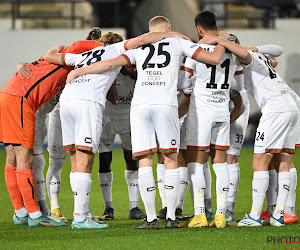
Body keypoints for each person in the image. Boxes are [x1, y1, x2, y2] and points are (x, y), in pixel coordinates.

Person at [64, 15, 226, 229]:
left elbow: (110, 63)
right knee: (170, 159)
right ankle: (170, 216)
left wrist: (78, 71)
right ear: (168, 28)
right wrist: (222, 40)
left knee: (144, 161)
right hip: (165, 104)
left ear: (150, 31)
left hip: (140, 106)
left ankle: (150, 219)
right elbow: (214, 59)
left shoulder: (138, 48)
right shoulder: (179, 41)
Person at [44, 29, 193, 229]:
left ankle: (83, 211)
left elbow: (50, 56)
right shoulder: (115, 50)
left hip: (66, 102)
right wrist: (174, 34)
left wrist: (60, 49)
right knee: (85, 157)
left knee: (73, 157)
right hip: (88, 102)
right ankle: (81, 217)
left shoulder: (82, 55)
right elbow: (140, 40)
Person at [1, 30, 104, 227]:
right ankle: (35, 215)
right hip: (22, 100)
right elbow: (99, 51)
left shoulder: (57, 55)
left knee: (12, 157)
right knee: (25, 158)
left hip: (7, 94)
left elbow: (55, 51)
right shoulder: (71, 57)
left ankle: (21, 213)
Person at [200, 33, 298, 227]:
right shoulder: (259, 57)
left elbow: (249, 56)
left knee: (259, 160)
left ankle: (254, 216)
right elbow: (275, 55)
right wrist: (253, 49)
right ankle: (279, 214)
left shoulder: (246, 58)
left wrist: (223, 42)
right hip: (291, 106)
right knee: (284, 160)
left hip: (276, 109)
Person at [181, 11, 243, 229]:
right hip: (222, 112)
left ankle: (199, 214)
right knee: (220, 163)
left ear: (199, 29)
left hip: (202, 113)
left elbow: (185, 84)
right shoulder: (230, 51)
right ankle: (221, 215)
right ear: (215, 28)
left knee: (195, 161)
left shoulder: (195, 51)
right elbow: (239, 81)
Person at [97, 33, 145, 220]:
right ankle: (108, 208)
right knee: (104, 161)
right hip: (106, 117)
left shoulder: (132, 64)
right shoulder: (102, 67)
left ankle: (134, 207)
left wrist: (130, 71)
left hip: (129, 116)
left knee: (132, 159)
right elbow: (111, 96)